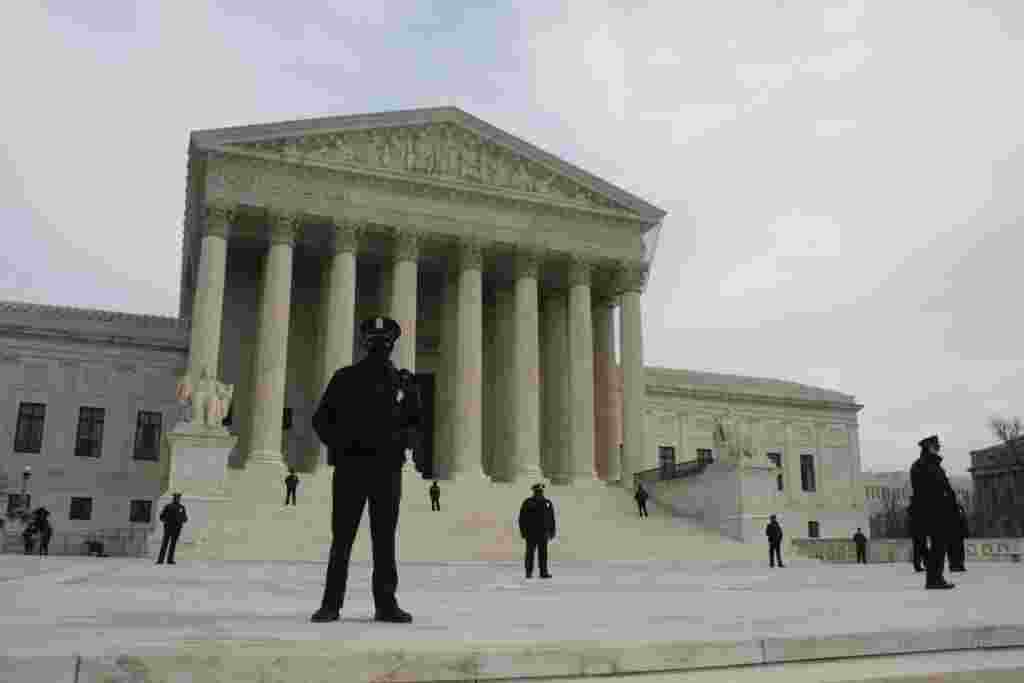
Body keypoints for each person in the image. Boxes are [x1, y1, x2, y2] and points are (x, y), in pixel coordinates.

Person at [310, 316, 422, 624]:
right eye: (374, 341)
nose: (379, 346)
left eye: (384, 341)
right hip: (352, 468)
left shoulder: (404, 382)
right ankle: (331, 604)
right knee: (342, 540)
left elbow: (416, 422)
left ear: (392, 345)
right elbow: (321, 420)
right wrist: (343, 447)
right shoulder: (345, 378)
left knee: (384, 540)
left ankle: (386, 604)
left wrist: (400, 443)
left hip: (386, 471)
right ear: (365, 344)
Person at [909, 435, 958, 590]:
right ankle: (934, 579)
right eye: (936, 446)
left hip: (931, 511)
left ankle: (935, 578)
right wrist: (946, 503)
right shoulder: (927, 465)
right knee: (938, 546)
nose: (939, 448)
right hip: (934, 512)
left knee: (938, 546)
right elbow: (935, 489)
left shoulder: (924, 464)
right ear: (929, 447)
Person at [519, 483, 556, 579]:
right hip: (531, 534)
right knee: (530, 554)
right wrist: (523, 532)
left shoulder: (547, 503)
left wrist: (552, 531)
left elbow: (551, 519)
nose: (539, 493)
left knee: (543, 554)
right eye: (537, 492)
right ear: (534, 492)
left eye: (540, 492)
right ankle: (528, 572)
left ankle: (543, 572)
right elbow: (522, 519)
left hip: (543, 534)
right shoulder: (528, 502)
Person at [156, 492, 188, 565]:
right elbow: (161, 516)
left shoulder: (181, 507)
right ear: (174, 498)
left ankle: (169, 560)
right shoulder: (168, 506)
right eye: (176, 498)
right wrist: (167, 521)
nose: (177, 499)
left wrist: (182, 520)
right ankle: (161, 560)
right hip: (169, 528)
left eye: (178, 498)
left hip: (176, 529)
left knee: (172, 545)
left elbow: (185, 518)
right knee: (165, 544)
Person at [948, 503, 968, 572]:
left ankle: (960, 564)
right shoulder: (947, 507)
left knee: (960, 550)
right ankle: (953, 565)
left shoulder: (960, 507)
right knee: (952, 550)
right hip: (951, 533)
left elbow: (964, 520)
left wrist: (965, 531)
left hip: (959, 533)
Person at [908, 504, 927, 572]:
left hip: (917, 531)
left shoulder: (912, 508)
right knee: (922, 548)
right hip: (920, 531)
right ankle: (923, 564)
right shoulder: (920, 507)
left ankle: (918, 565)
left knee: (918, 549)